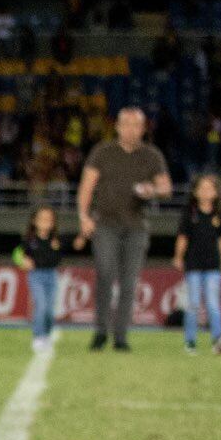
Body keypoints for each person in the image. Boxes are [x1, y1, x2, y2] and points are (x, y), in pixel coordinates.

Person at [75, 106, 171, 351]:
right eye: (125, 124)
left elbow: (166, 188)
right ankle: (100, 331)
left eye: (136, 125)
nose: (130, 129)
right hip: (105, 223)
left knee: (129, 282)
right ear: (117, 127)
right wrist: (84, 216)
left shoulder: (152, 155)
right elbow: (86, 186)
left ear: (142, 128)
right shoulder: (102, 152)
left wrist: (153, 190)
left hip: (136, 226)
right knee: (105, 274)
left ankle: (121, 336)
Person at [170, 174, 221, 355]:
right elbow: (183, 237)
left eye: (209, 189)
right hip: (194, 265)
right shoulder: (190, 213)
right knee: (194, 304)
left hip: (213, 265)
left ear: (216, 193)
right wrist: (178, 257)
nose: (205, 192)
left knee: (213, 303)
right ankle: (190, 342)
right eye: (202, 188)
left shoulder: (219, 214)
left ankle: (217, 339)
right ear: (195, 192)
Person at [12, 205, 68, 353]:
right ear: (34, 221)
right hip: (36, 275)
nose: (45, 222)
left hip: (51, 275)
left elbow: (60, 257)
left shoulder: (56, 240)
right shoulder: (29, 240)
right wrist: (22, 261)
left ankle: (47, 335)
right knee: (41, 305)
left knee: (49, 309)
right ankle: (38, 336)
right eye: (42, 219)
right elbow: (17, 254)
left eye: (48, 219)